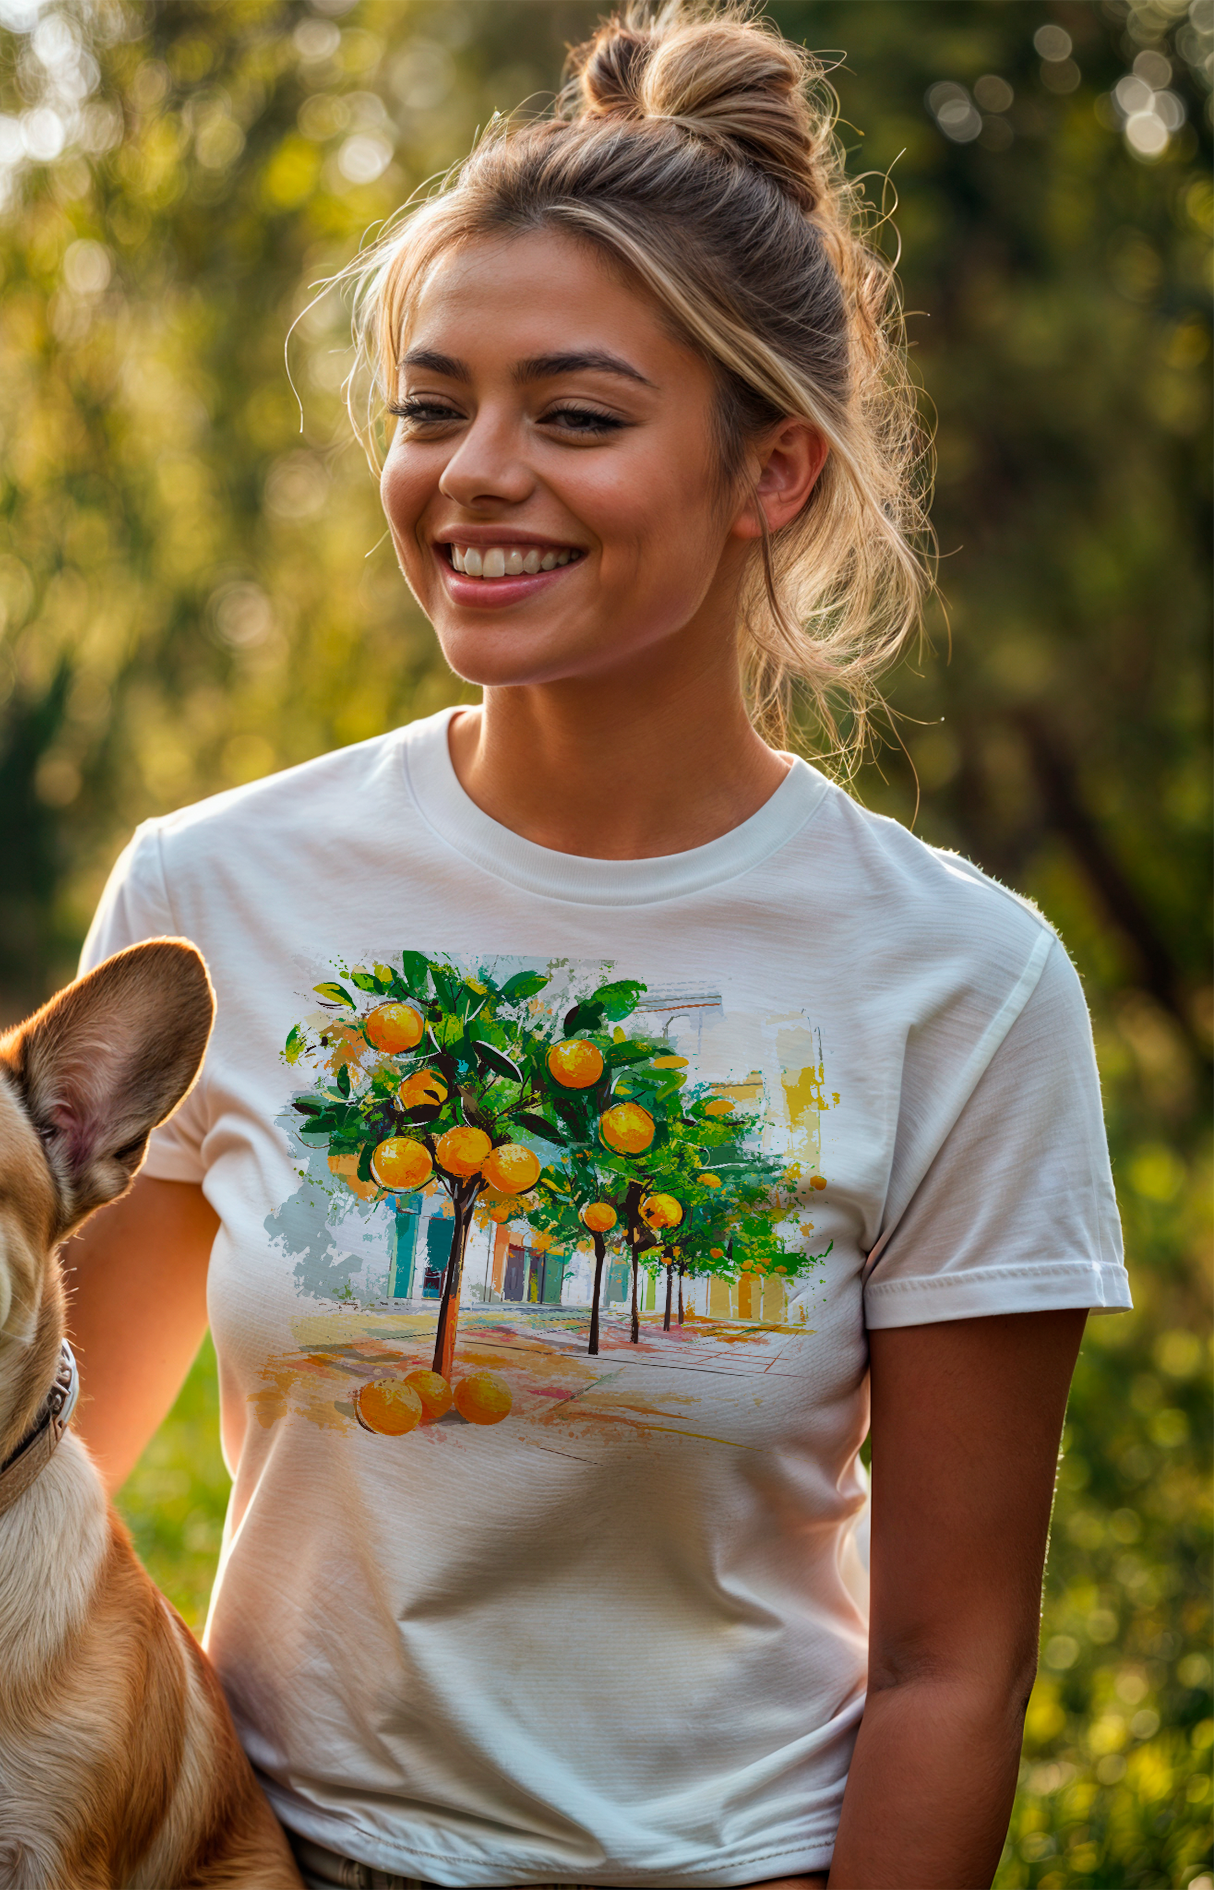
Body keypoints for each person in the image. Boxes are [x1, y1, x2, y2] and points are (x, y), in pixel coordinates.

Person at [65, 6, 1128, 1886]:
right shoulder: (214, 894)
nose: (472, 472)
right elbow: (32, 1486)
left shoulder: (957, 982)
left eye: (573, 415)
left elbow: (952, 1665)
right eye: (428, 403)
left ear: (770, 472)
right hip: (267, 1856)